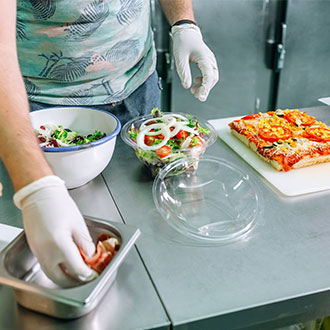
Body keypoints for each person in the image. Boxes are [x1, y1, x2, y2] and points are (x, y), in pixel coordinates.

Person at [0, 0, 218, 287]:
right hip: (38, 110)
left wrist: (184, 24)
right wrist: (36, 191)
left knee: (147, 247)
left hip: (136, 88)